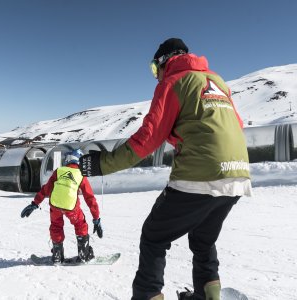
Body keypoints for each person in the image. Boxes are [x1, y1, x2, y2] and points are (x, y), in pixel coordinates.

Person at [79, 38, 252, 300]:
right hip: (238, 174)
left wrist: (102, 163)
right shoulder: (217, 81)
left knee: (154, 236)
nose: (155, 76)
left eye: (153, 69)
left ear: (163, 62)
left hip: (200, 175)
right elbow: (235, 125)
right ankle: (209, 295)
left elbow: (148, 139)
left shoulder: (173, 81)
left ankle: (147, 295)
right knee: (203, 240)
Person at [21, 149, 103, 263]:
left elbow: (46, 189)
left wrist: (35, 203)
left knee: (56, 226)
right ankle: (84, 255)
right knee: (80, 224)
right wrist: (96, 218)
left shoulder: (58, 171)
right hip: (71, 207)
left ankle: (57, 256)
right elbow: (90, 198)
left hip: (55, 205)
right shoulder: (80, 175)